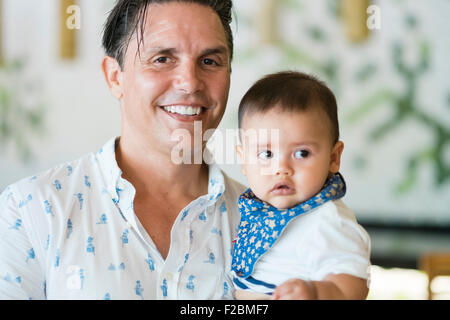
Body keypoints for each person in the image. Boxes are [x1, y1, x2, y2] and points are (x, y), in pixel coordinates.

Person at [0, 0, 245, 299]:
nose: (190, 83)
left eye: (209, 61)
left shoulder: (268, 219)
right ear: (116, 77)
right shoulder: (29, 211)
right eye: (162, 59)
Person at [232, 71, 371, 300]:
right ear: (243, 160)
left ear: (334, 158)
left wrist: (315, 293)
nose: (282, 168)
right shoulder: (253, 209)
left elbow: (353, 287)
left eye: (301, 153)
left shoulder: (327, 221)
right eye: (266, 153)